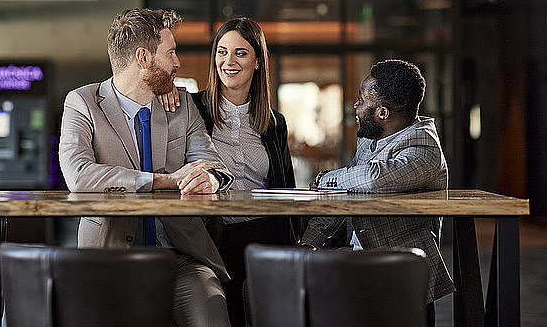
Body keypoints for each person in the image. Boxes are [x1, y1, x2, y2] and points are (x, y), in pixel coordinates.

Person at [58, 8, 234, 327]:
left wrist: (209, 178)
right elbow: (78, 175)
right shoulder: (82, 102)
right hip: (109, 260)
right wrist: (163, 181)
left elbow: (216, 165)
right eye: (171, 53)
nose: (177, 62)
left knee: (212, 312)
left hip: (181, 259)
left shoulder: (181, 104)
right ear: (143, 57)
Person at [160, 17, 295, 326]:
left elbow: (286, 188)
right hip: (212, 239)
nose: (228, 61)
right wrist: (165, 88)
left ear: (258, 61)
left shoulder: (275, 123)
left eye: (241, 53)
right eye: (221, 52)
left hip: (265, 240)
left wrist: (295, 243)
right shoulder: (190, 108)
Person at [299, 59, 454, 327]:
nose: (355, 106)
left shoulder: (424, 147)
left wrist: (326, 178)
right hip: (358, 263)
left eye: (361, 100)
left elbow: (374, 179)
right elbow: (346, 196)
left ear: (382, 112)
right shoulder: (370, 139)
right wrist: (305, 246)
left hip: (401, 276)